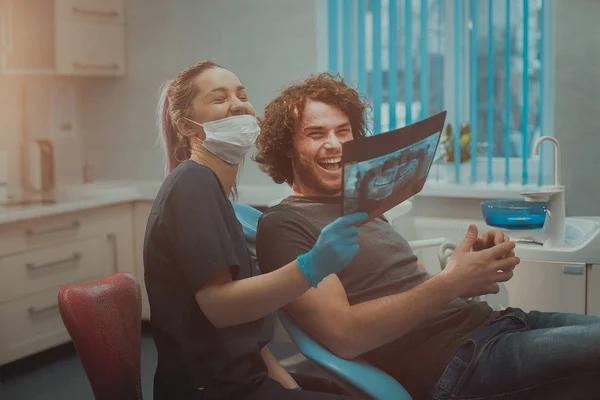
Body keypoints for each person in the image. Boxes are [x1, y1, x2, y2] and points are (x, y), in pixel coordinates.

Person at [253, 72, 600, 400]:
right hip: (458, 362)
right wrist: (452, 282)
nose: (335, 145)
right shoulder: (284, 224)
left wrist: (468, 268)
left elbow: (415, 290)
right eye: (316, 134)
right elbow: (346, 335)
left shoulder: (361, 205)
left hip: (497, 323)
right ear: (287, 147)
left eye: (343, 132)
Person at [143, 61, 367, 400]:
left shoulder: (212, 191)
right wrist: (312, 266)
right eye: (219, 99)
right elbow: (220, 308)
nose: (238, 104)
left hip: (241, 377)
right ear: (186, 126)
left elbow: (244, 333)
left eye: (242, 94)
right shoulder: (192, 184)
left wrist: (285, 383)